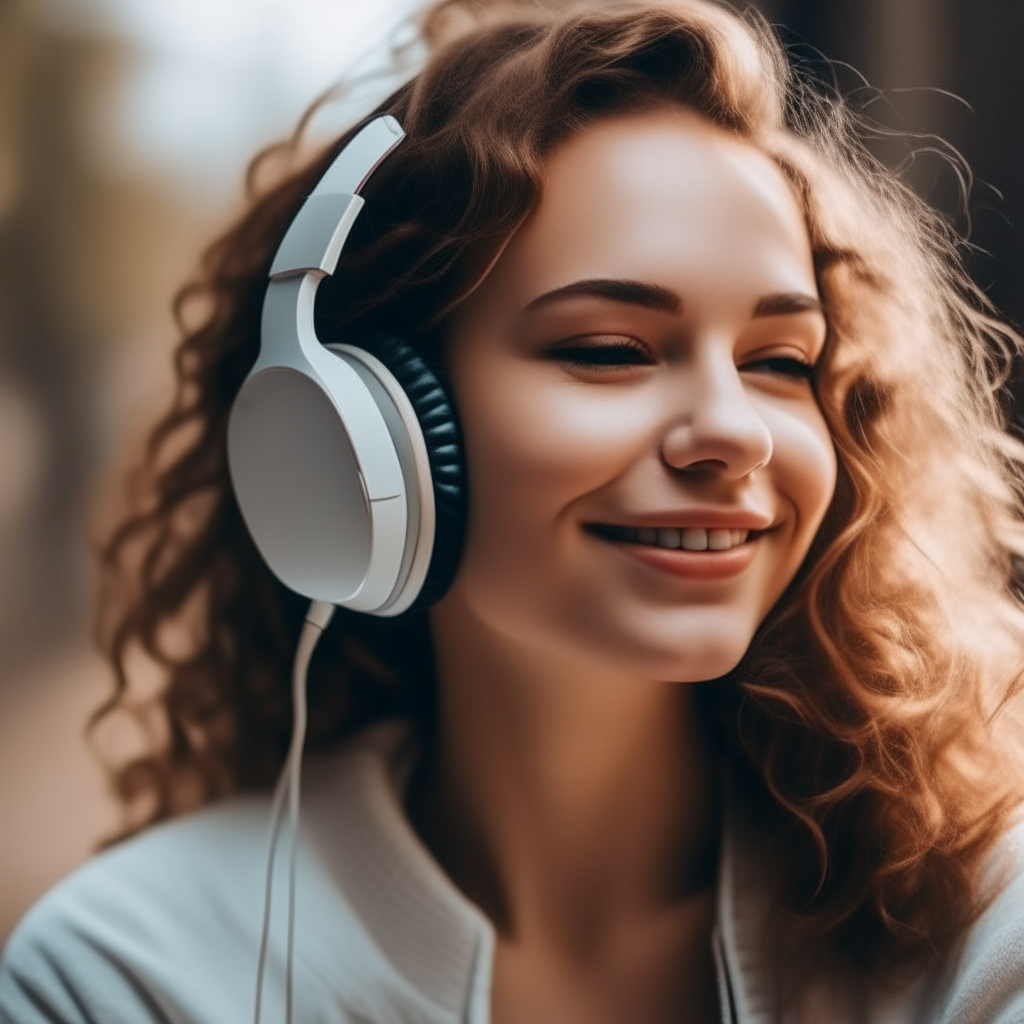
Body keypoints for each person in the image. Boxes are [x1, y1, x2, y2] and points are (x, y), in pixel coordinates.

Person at [3, 0, 1024, 1021]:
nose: (737, 432)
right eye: (608, 349)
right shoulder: (123, 974)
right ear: (360, 422)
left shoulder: (985, 921)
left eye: (779, 362)